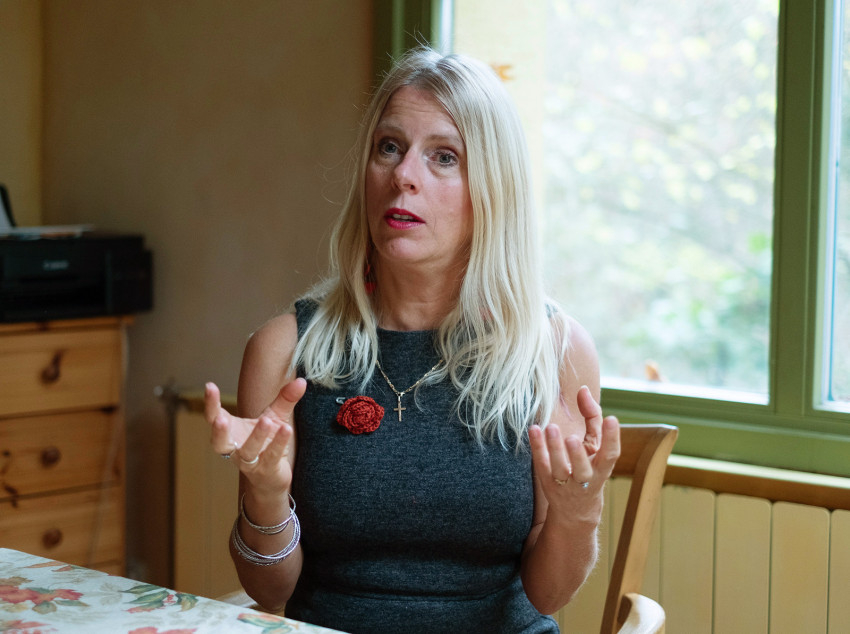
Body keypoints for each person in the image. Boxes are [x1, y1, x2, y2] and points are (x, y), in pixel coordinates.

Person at [204, 46, 620, 634]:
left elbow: (548, 595)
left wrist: (578, 515)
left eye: (444, 157)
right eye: (389, 147)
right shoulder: (284, 349)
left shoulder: (554, 351)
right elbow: (269, 591)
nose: (403, 175)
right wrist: (266, 496)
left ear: (492, 189)